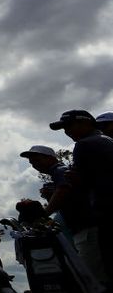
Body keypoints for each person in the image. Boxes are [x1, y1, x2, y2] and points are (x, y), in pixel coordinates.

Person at [18, 144, 105, 282]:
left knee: (91, 276)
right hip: (81, 228)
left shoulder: (59, 170)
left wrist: (44, 214)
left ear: (50, 158)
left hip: (86, 227)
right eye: (32, 163)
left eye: (37, 160)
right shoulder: (58, 173)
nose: (35, 165)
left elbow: (63, 190)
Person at [49, 109, 113, 285]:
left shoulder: (85, 144)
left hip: (104, 215)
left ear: (86, 123)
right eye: (64, 128)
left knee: (98, 277)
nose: (67, 131)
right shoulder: (107, 140)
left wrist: (77, 179)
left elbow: (84, 184)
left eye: (70, 126)